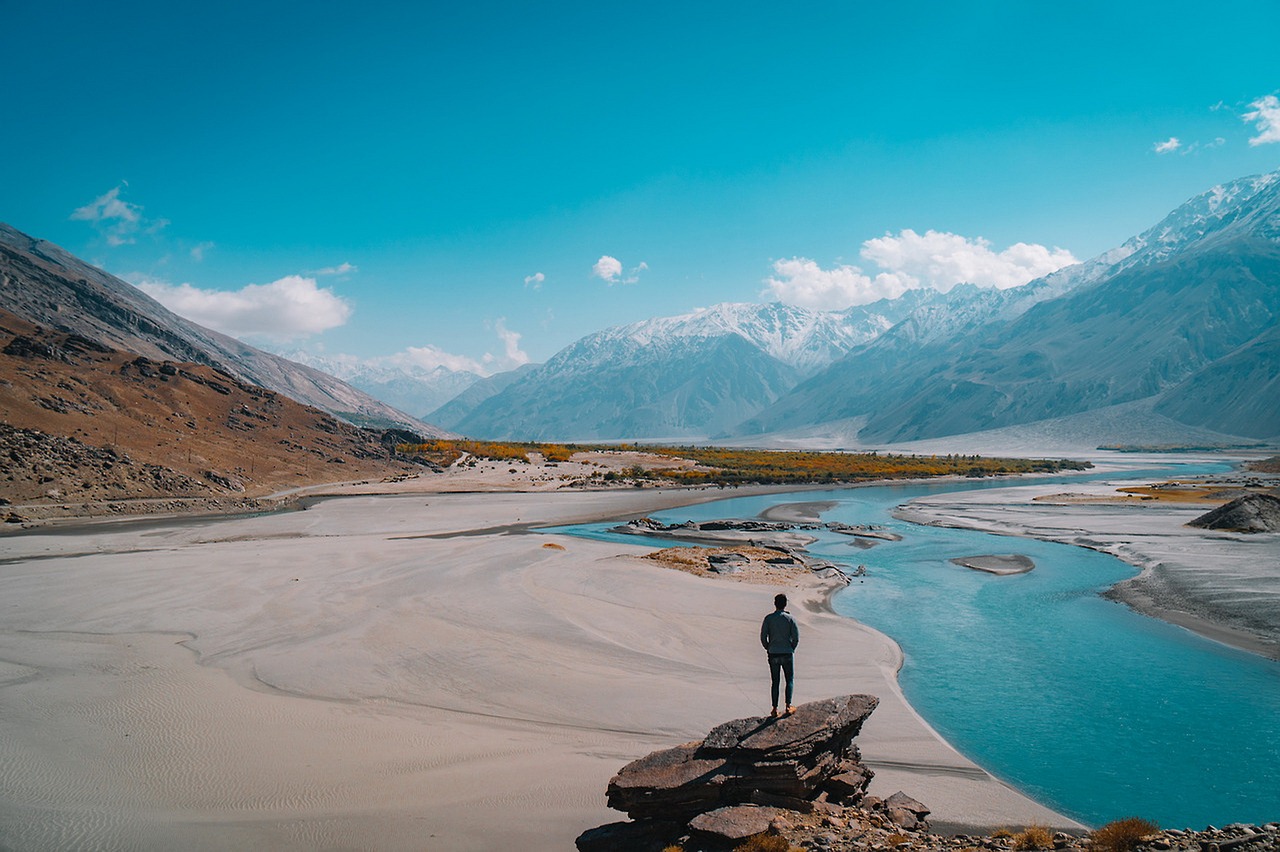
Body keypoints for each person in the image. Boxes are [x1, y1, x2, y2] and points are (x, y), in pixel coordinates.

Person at [760, 592, 799, 717]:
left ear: (774, 604)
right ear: (785, 604)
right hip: (787, 652)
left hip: (773, 653)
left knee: (775, 681)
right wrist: (791, 648)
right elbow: (796, 638)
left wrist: (768, 647)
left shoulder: (768, 618)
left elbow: (763, 636)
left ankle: (774, 709)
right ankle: (788, 706)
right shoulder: (790, 619)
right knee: (789, 680)